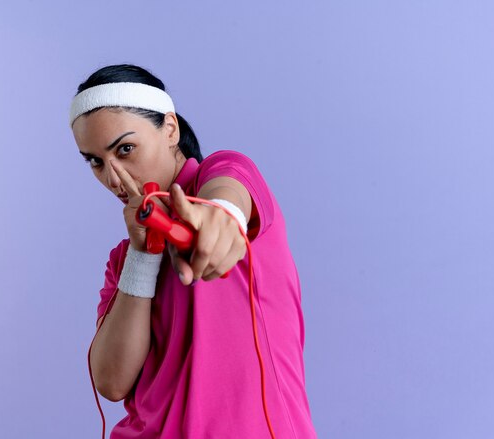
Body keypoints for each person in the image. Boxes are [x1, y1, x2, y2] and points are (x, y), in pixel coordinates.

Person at [70, 64, 317, 438]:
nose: (113, 177)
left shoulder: (222, 173)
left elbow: (230, 196)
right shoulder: (122, 260)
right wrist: (143, 254)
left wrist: (220, 217)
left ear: (170, 129)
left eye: (125, 149)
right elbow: (111, 381)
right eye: (96, 161)